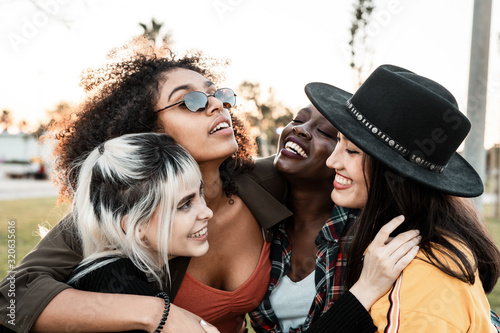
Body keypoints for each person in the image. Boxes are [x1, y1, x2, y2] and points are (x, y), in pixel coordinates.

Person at [0, 38, 291, 333]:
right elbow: (11, 297)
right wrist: (156, 313)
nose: (216, 104)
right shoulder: (117, 210)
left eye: (215, 94)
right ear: (148, 131)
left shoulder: (268, 181)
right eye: (191, 101)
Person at [304, 64, 500, 331]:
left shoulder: (419, 282)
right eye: (338, 140)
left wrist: (362, 293)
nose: (331, 161)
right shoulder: (395, 246)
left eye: (352, 151)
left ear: (395, 174)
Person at [249, 101, 420, 333]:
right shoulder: (259, 222)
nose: (300, 129)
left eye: (325, 132)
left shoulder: (371, 239)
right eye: (298, 120)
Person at [69, 133, 217, 332]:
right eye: (184, 205)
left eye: (200, 192)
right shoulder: (117, 288)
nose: (207, 212)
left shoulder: (114, 273)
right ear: (135, 227)